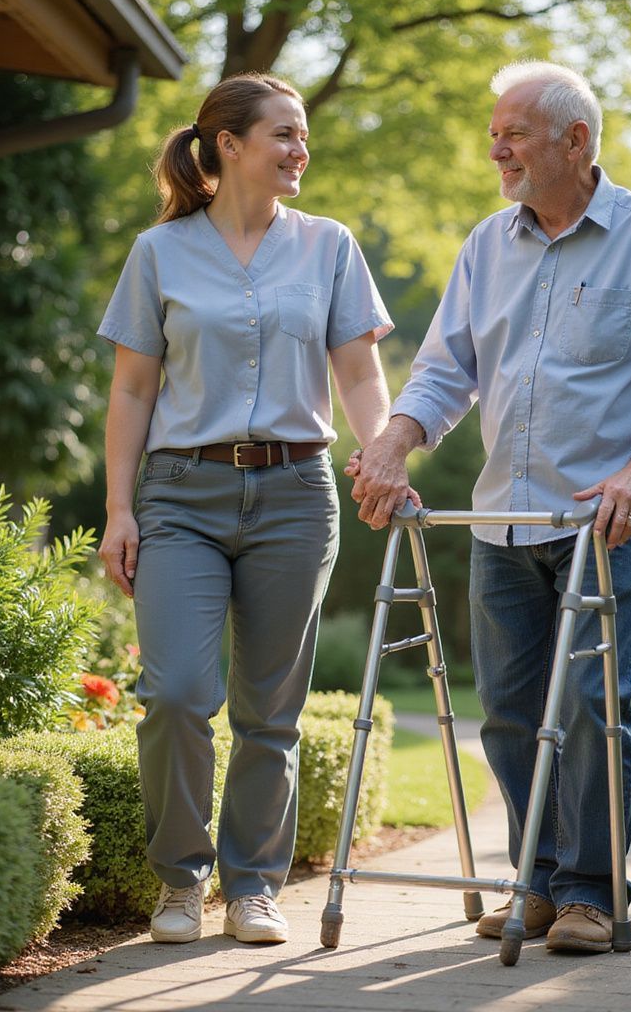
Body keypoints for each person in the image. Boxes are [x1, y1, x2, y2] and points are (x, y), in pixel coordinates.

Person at [350, 61, 631, 954]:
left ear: (576, 141)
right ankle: (538, 879)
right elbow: (448, 369)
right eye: (495, 133)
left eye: (513, 133)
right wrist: (393, 440)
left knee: (597, 703)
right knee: (512, 712)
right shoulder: (488, 244)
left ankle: (594, 894)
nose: (496, 149)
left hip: (611, 520)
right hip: (502, 523)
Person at [97, 73, 395, 947]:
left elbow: (358, 372)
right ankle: (181, 881)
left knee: (271, 709)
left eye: (303, 136)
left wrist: (382, 449)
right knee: (179, 695)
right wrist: (121, 509)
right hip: (180, 494)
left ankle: (253, 886)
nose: (302, 150)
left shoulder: (329, 246)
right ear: (228, 144)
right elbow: (133, 389)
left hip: (295, 495)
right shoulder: (161, 253)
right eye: (285, 135)